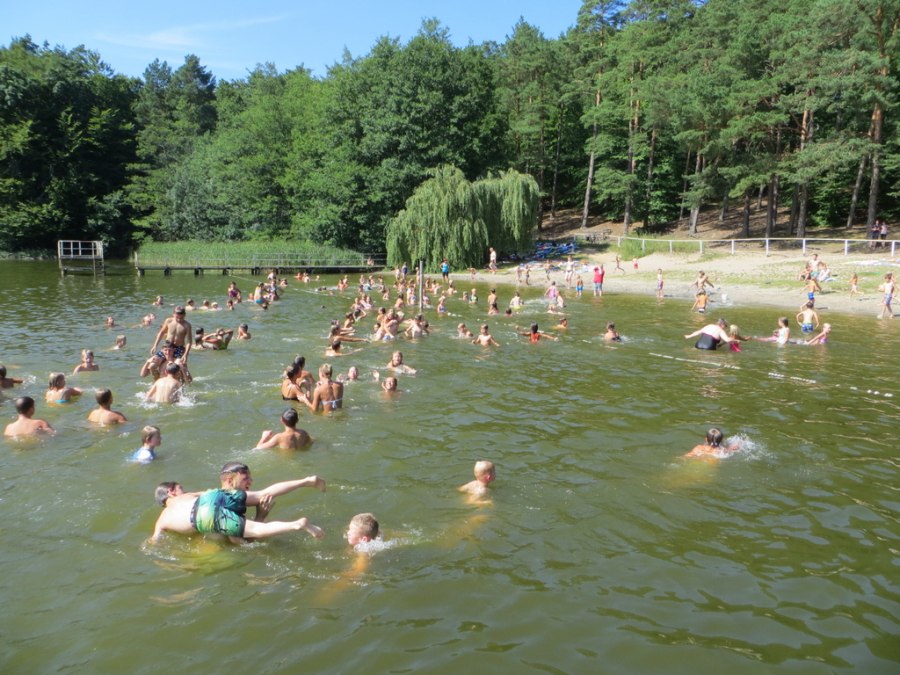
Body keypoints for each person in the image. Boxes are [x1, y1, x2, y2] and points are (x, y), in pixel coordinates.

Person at [151, 462, 326, 544]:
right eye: (180, 488)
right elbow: (208, 493)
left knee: (257, 531)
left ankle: (297, 524)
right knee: (263, 493)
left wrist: (153, 543)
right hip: (211, 497)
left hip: (201, 515)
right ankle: (307, 481)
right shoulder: (188, 495)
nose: (183, 490)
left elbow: (156, 540)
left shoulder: (162, 518)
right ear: (171, 492)